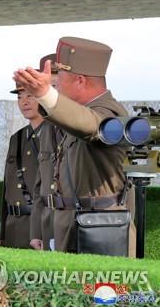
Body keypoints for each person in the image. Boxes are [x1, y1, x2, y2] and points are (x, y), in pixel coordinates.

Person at [13, 37, 133, 253]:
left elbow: (90, 124)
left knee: (99, 288)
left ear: (80, 80)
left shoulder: (109, 113)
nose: (55, 87)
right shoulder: (72, 116)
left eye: (59, 82)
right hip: (74, 228)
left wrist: (44, 94)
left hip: (102, 234)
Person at [0, 80, 44, 248]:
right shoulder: (16, 138)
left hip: (40, 229)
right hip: (13, 227)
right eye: (20, 97)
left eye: (30, 96)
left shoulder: (56, 135)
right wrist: (1, 234)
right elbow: (8, 190)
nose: (24, 102)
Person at [29, 53, 58, 251]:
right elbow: (41, 185)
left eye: (54, 87)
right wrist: (36, 232)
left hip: (81, 225)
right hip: (49, 226)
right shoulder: (48, 128)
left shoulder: (91, 123)